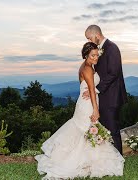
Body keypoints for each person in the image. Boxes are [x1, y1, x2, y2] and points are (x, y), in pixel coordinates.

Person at [34, 42, 124, 179]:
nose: (96, 58)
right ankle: (76, 163)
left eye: (96, 55)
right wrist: (95, 109)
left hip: (87, 102)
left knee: (86, 132)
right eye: (92, 55)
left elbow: (89, 88)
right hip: (88, 105)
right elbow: (92, 91)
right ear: (86, 55)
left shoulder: (89, 66)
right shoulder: (87, 69)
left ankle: (87, 163)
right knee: (86, 130)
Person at [83, 25, 128, 155]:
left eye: (89, 38)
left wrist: (96, 89)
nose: (89, 41)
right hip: (104, 96)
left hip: (112, 97)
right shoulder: (100, 49)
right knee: (105, 129)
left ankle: (118, 159)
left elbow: (113, 73)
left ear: (96, 35)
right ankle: (108, 158)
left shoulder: (112, 48)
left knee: (113, 130)